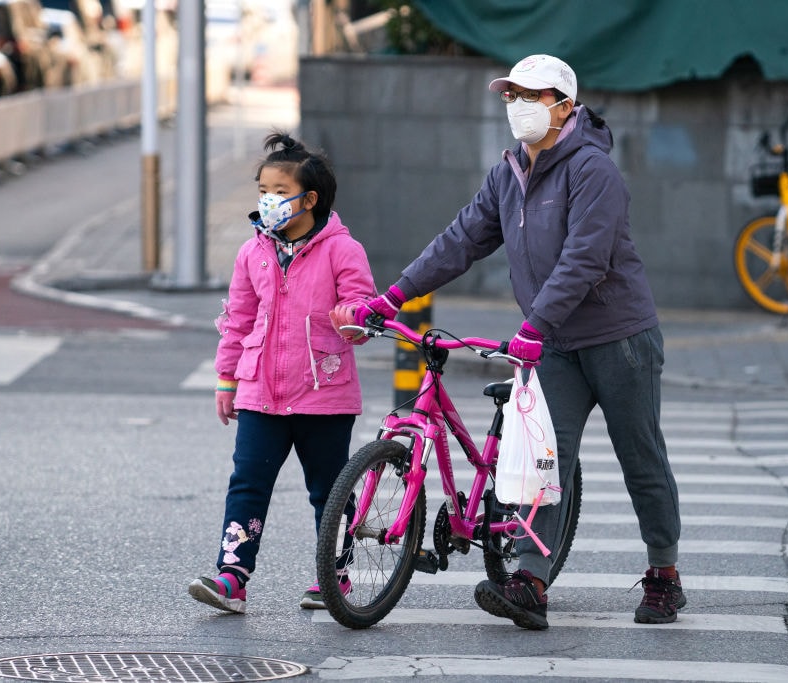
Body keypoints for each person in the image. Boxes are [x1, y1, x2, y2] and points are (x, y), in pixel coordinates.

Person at [353, 54, 684, 629]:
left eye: (530, 95)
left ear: (563, 105)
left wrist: (534, 325)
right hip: (551, 345)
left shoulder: (592, 171)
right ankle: (529, 581)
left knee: (642, 459)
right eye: (511, 95)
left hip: (617, 336)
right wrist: (395, 295)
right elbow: (462, 238)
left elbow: (586, 258)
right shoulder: (508, 172)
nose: (518, 106)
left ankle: (664, 575)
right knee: (542, 462)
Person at [189, 132, 376, 614]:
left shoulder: (342, 249)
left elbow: (361, 302)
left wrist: (355, 319)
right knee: (247, 483)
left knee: (330, 489)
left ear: (309, 200)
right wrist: (227, 378)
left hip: (324, 395)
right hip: (260, 395)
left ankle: (333, 577)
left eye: (278, 192)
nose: (267, 201)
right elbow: (237, 319)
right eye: (263, 191)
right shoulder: (252, 252)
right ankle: (232, 578)